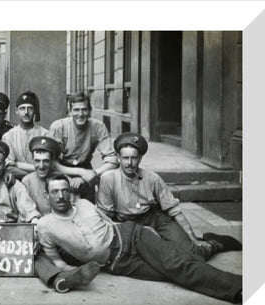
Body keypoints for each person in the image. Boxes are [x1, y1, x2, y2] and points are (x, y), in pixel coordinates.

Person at [37, 174, 243, 303]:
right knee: (172, 272)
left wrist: (143, 231)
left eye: (64, 190)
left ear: (70, 193)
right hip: (119, 264)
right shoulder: (45, 225)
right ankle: (210, 245)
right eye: (55, 192)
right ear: (47, 195)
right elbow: (57, 262)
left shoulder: (84, 205)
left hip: (132, 237)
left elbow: (110, 222)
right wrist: (73, 271)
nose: (61, 196)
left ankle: (241, 288)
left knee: (177, 265)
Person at [97, 132, 241, 256]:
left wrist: (193, 240)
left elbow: (174, 211)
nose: (129, 163)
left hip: (154, 218)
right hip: (126, 223)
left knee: (193, 252)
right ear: (118, 158)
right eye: (125, 158)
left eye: (134, 158)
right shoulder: (108, 179)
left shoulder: (152, 178)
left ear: (140, 158)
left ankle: (214, 243)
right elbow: (105, 216)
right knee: (161, 256)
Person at [22, 136, 99, 293]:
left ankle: (66, 273)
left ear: (52, 162)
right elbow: (24, 213)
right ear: (32, 161)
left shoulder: (65, 181)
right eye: (37, 161)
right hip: (41, 238)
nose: (41, 166)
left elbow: (77, 213)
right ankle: (62, 277)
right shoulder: (26, 182)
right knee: (36, 255)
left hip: (65, 238)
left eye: (46, 161)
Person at [48, 92, 119, 203]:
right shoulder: (58, 127)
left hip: (87, 170)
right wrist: (81, 172)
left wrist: (89, 175)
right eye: (76, 110)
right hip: (62, 170)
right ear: (70, 111)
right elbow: (52, 163)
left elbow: (113, 161)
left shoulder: (98, 127)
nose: (80, 114)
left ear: (90, 110)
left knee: (88, 207)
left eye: (84, 109)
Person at [2, 91, 48, 180]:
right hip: (16, 182)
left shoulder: (44, 134)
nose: (26, 112)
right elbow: (9, 167)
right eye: (22, 108)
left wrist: (18, 164)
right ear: (16, 111)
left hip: (42, 182)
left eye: (30, 108)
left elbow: (48, 165)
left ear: (35, 110)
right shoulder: (9, 136)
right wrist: (33, 175)